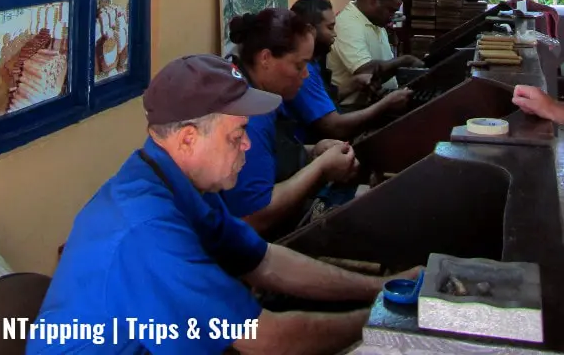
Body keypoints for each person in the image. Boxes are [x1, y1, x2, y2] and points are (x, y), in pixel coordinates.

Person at [27, 54, 422, 355]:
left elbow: (264, 261)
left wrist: (383, 288)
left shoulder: (176, 183)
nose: (248, 146)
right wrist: (388, 320)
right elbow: (266, 340)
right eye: (237, 135)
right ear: (186, 140)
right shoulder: (144, 230)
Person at [223, 9, 361, 237]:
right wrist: (321, 167)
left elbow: (267, 152)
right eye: (299, 65)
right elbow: (254, 217)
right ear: (265, 58)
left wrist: (312, 152)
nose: (305, 75)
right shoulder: (247, 113)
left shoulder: (256, 91)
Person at [286, 0, 411, 141]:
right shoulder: (303, 70)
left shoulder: (313, 62)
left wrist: (354, 83)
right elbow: (334, 128)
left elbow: (322, 100)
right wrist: (386, 104)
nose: (335, 34)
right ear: (310, 30)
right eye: (330, 28)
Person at [328, 0, 424, 106]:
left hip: (375, 101)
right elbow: (365, 72)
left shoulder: (375, 21)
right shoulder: (347, 24)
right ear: (374, 0)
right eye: (390, 10)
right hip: (353, 109)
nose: (392, 16)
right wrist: (405, 60)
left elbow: (384, 65)